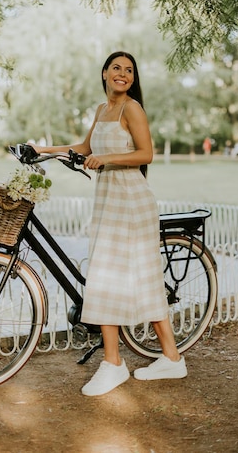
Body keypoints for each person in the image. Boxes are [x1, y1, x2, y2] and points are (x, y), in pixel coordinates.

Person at [29, 51, 186, 396]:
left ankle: (115, 363)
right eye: (117, 68)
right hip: (108, 201)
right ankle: (170, 358)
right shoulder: (102, 111)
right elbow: (84, 147)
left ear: (132, 79)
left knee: (109, 276)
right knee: (120, 277)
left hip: (130, 201)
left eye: (129, 70)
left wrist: (107, 159)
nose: (123, 74)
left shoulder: (132, 108)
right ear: (104, 73)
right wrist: (44, 150)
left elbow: (146, 154)